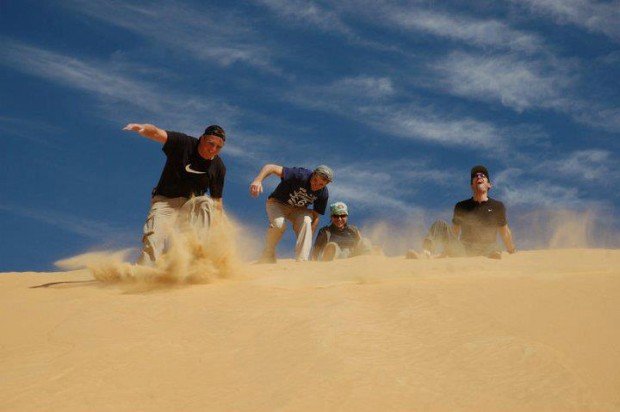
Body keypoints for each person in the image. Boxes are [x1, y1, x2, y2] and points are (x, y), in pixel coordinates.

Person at [123, 123, 227, 264]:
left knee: (207, 202)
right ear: (202, 138)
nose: (213, 149)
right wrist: (143, 128)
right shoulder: (184, 143)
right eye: (210, 143)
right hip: (165, 202)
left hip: (190, 207)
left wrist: (219, 229)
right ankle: (143, 274)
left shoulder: (218, 167)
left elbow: (217, 201)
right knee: (153, 241)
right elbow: (157, 133)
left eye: (218, 147)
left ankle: (197, 256)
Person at [407, 165, 516, 259]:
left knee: (494, 247)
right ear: (472, 185)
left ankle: (493, 258)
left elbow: (504, 232)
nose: (479, 177)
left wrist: (512, 251)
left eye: (483, 176)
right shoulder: (461, 206)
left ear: (489, 185)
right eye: (475, 176)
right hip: (464, 250)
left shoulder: (497, 206)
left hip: (488, 247)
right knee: (439, 224)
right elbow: (454, 232)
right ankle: (425, 253)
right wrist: (446, 252)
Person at [250, 164, 332, 262]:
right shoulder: (300, 174)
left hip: (298, 209)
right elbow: (270, 167)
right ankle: (268, 252)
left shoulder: (323, 194)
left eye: (321, 184)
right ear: (313, 174)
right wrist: (258, 180)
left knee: (307, 221)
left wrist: (308, 235)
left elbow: (315, 216)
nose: (316, 185)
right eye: (315, 180)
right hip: (277, 203)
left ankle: (302, 261)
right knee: (279, 224)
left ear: (326, 184)